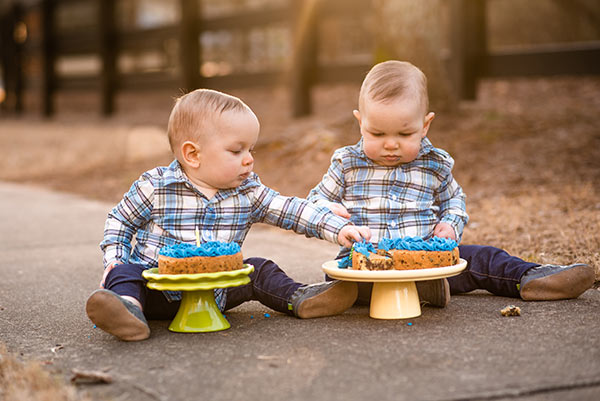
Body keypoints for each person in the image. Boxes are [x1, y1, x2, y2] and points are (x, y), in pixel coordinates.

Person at [86, 88, 371, 341]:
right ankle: (127, 309)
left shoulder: (247, 192)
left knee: (259, 269)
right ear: (193, 155)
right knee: (126, 272)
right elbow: (120, 221)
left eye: (250, 149)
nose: (249, 159)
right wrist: (114, 261)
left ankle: (301, 298)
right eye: (237, 150)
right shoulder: (155, 187)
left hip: (218, 290)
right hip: (156, 289)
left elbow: (290, 210)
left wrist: (335, 227)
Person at [308, 60, 595, 306]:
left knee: (483, 257)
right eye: (378, 133)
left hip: (428, 258)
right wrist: (330, 212)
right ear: (361, 123)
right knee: (337, 276)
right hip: (367, 263)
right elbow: (314, 202)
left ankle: (531, 277)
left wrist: (450, 224)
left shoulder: (435, 163)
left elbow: (454, 200)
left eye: (405, 134)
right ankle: (412, 291)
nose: (391, 144)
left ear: (425, 125)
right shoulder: (346, 163)